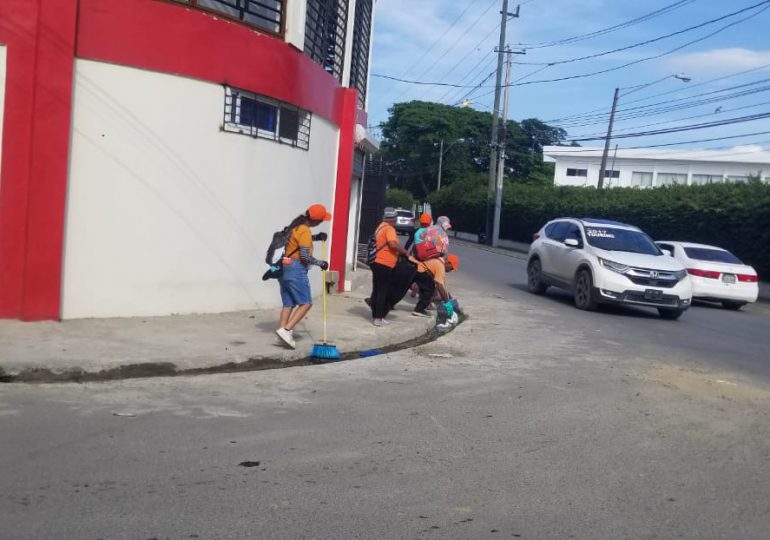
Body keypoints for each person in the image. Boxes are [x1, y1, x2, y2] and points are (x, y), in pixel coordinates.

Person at [275, 204, 331, 349]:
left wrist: (317, 237)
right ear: (317, 221)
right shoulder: (304, 230)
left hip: (284, 266)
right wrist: (321, 263)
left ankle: (282, 332)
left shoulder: (296, 226)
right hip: (296, 268)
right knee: (306, 303)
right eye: (322, 220)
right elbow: (305, 256)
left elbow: (297, 242)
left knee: (288, 304)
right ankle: (287, 330)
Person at [370, 207, 414, 327]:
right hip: (384, 263)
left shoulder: (381, 226)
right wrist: (405, 252)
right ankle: (379, 318)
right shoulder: (389, 228)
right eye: (395, 219)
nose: (396, 221)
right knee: (382, 291)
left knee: (377, 290)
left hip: (376, 262)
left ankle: (375, 315)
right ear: (392, 219)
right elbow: (392, 244)